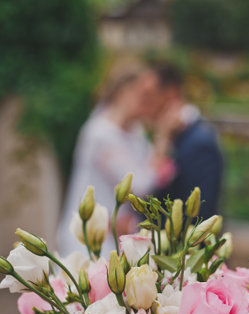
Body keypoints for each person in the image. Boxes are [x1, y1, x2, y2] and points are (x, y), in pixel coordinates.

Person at [58, 63, 176, 256]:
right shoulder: (100, 133)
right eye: (144, 96)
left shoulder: (135, 132)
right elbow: (141, 184)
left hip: (118, 236)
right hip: (89, 239)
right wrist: (162, 140)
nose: (150, 104)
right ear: (123, 92)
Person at [150, 62, 223, 220]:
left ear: (171, 92)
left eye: (149, 95)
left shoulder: (200, 142)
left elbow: (201, 211)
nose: (144, 103)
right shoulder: (169, 133)